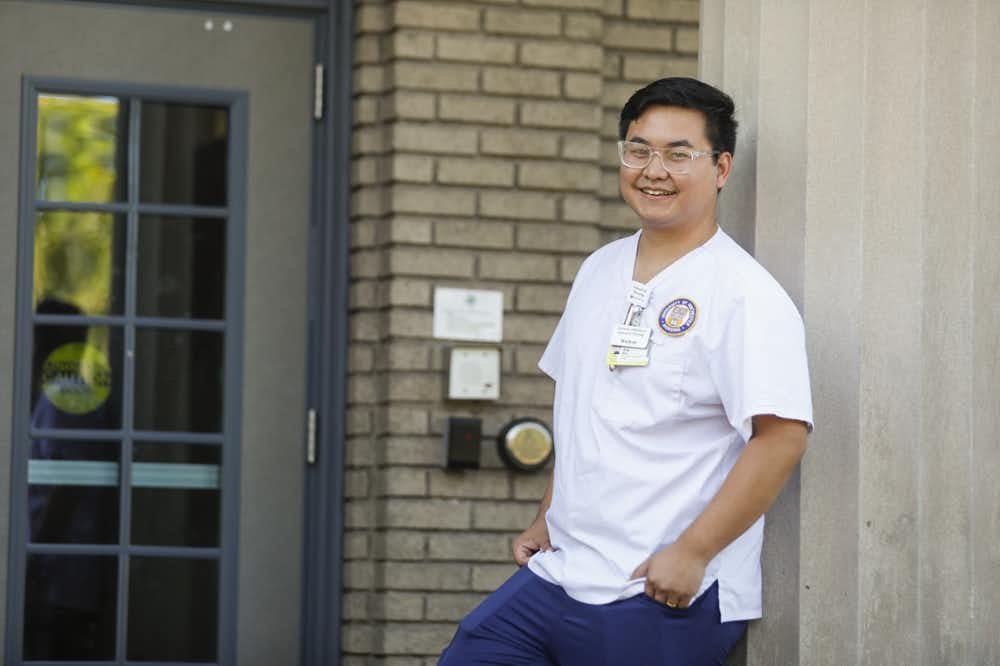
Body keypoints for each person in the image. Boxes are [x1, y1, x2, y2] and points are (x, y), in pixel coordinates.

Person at [439, 77, 813, 665]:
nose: (652, 169)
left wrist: (692, 551)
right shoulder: (599, 269)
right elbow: (588, 408)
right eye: (638, 150)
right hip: (560, 573)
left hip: (658, 591)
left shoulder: (744, 295)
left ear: (721, 168)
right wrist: (546, 513)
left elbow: (783, 436)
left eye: (678, 153)